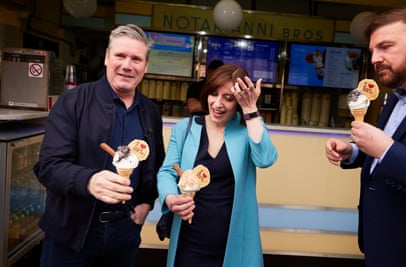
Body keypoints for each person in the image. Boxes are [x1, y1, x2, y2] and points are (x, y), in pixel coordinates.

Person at [33, 24, 165, 266]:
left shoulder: (150, 112)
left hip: (124, 232)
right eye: (120, 56)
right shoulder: (73, 101)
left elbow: (155, 164)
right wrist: (89, 180)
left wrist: (147, 201)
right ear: (106, 58)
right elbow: (48, 166)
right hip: (72, 232)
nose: (127, 65)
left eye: (136, 59)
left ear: (145, 66)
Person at [325, 4, 406, 267]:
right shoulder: (398, 95)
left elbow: (392, 152)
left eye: (386, 46)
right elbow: (395, 150)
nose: (375, 58)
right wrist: (356, 152)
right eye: (373, 51)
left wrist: (385, 150)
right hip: (381, 247)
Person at [157, 63, 278, 267]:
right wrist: (170, 199)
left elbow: (265, 159)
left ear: (239, 101)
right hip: (189, 239)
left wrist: (250, 109)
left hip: (234, 241)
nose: (218, 104)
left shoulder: (248, 127)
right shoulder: (184, 128)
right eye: (214, 94)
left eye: (228, 98)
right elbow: (167, 171)